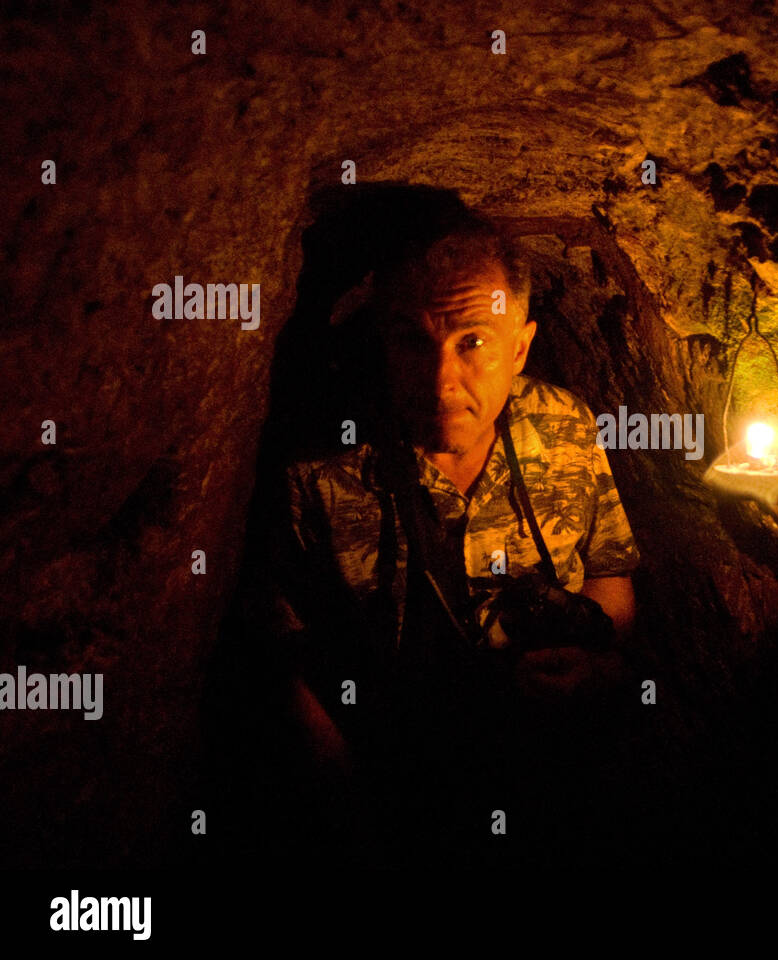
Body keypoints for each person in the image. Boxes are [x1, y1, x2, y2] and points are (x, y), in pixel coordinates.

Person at [250, 218, 641, 864]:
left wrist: (597, 668)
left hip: (549, 782)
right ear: (381, 339)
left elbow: (610, 570)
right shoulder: (318, 469)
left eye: (473, 342)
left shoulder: (566, 427)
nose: (440, 381)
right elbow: (280, 661)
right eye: (412, 341)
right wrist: (345, 813)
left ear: (520, 349)